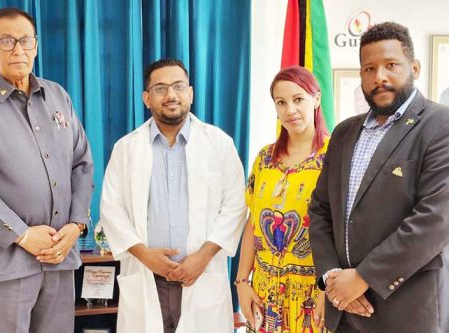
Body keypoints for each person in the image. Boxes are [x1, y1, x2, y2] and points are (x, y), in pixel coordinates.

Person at [0, 8, 94, 333]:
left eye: (25, 41)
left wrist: (76, 226)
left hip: (58, 257)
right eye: (7, 41)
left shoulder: (58, 96)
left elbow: (81, 162)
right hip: (5, 264)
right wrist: (22, 234)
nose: (18, 50)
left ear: (36, 45)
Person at [309, 22, 449, 333]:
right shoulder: (345, 132)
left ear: (414, 67)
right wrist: (332, 275)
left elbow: (435, 219)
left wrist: (362, 278)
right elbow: (319, 209)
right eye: (369, 69)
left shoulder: (441, 125)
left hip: (406, 311)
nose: (379, 78)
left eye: (390, 65)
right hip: (343, 308)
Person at [99, 58, 247, 333]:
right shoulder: (126, 148)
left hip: (200, 276)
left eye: (178, 86)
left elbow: (236, 206)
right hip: (147, 277)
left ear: (190, 93)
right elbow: (111, 209)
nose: (171, 95)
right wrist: (144, 255)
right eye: (160, 88)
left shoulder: (219, 144)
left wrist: (202, 256)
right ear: (146, 98)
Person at [236, 66, 329, 333]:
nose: (290, 110)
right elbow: (253, 222)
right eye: (281, 102)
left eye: (298, 99)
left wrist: (327, 288)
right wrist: (242, 282)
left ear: (316, 99)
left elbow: (346, 231)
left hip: (313, 297)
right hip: (264, 296)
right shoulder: (264, 158)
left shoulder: (334, 157)